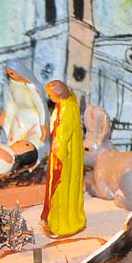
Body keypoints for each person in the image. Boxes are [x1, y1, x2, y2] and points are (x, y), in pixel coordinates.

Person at [41, 80, 86, 236]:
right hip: (66, 153)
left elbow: (64, 134)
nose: (50, 98)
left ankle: (63, 224)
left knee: (60, 189)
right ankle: (59, 220)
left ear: (58, 95)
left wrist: (57, 150)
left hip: (64, 158)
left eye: (50, 95)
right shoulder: (69, 103)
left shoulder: (66, 110)